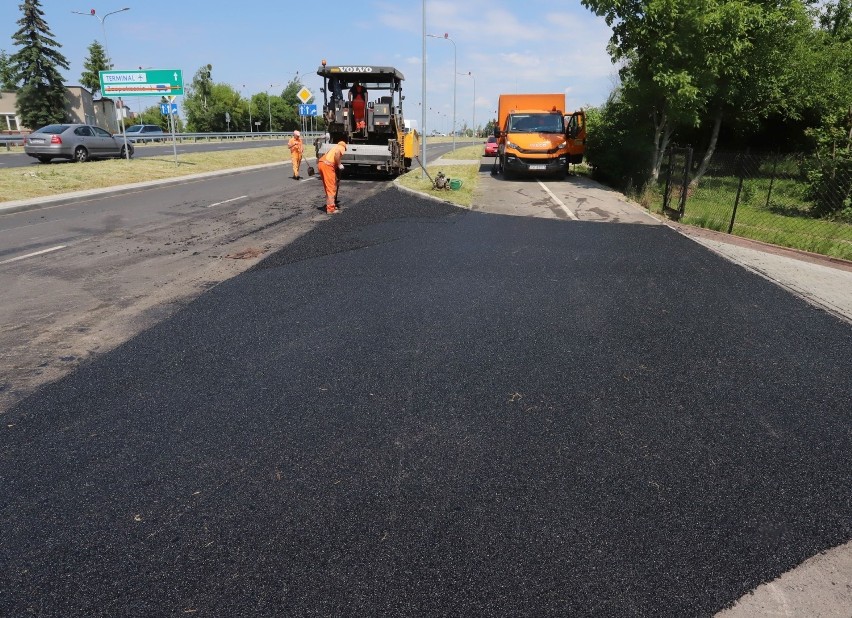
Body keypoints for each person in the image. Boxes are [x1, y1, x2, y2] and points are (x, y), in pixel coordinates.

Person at [318, 141, 347, 214]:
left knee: (328, 187)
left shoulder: (334, 147)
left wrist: (336, 179)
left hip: (321, 163)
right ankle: (330, 209)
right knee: (331, 188)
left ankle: (330, 205)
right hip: (327, 166)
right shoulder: (341, 147)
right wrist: (340, 164)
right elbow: (337, 154)